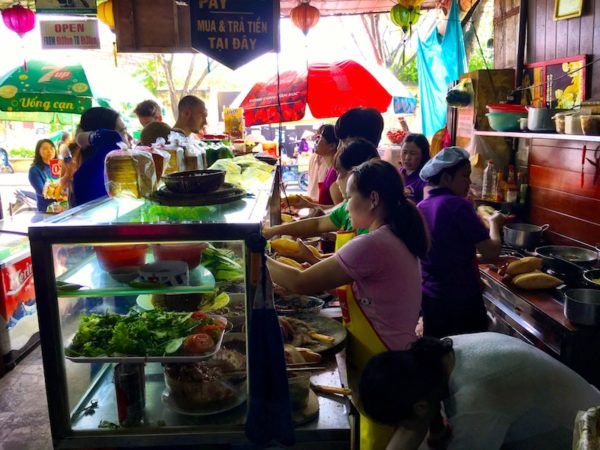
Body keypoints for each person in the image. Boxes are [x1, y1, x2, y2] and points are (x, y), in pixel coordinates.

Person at [268, 159, 429, 450]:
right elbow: (350, 286)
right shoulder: (392, 236)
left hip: (385, 367)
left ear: (373, 200)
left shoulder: (374, 243)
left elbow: (301, 283)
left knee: (377, 441)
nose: (345, 205)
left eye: (349, 198)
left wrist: (256, 253)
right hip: (390, 360)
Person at [360, 332, 600, 450]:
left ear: (420, 407)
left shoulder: (476, 399)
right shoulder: (436, 356)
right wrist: (434, 431)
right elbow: (418, 418)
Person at [417, 147, 502, 338]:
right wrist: (494, 223)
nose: (469, 182)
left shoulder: (421, 206)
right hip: (460, 300)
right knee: (469, 357)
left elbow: (447, 255)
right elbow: (491, 252)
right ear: (447, 178)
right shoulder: (457, 205)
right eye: (465, 176)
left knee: (440, 355)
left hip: (430, 297)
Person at [263, 139, 380, 246]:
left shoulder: (372, 235)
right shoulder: (348, 206)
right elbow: (317, 224)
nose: (337, 180)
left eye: (339, 173)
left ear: (355, 173)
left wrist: (310, 258)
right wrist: (274, 230)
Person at [73, 107, 130, 207]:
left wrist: (82, 137)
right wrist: (82, 137)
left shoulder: (87, 170)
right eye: (122, 131)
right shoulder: (91, 173)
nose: (130, 137)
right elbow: (110, 137)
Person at [306, 125, 336, 202]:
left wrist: (308, 204)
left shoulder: (335, 172)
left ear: (331, 146)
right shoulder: (313, 158)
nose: (316, 141)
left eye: (320, 137)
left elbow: (337, 209)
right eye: (316, 137)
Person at [400, 133, 430, 203]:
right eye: (404, 152)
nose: (407, 158)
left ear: (423, 155)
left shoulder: (426, 179)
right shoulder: (399, 173)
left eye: (412, 153)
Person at [28, 139, 56, 212]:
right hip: (47, 210)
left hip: (65, 208)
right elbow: (42, 191)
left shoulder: (59, 166)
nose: (49, 151)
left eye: (51, 148)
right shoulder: (34, 170)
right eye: (45, 148)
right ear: (38, 151)